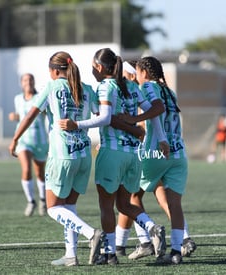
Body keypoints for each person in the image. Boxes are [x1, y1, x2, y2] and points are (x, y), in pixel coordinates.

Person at [59, 48, 169, 265]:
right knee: (124, 204)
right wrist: (156, 134)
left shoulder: (105, 87)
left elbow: (106, 118)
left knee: (106, 206)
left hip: (112, 153)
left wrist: (77, 124)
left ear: (99, 67)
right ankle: (152, 228)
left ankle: (110, 254)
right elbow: (157, 108)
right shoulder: (130, 85)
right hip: (132, 156)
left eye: (93, 65)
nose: (91, 69)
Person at [9, 51, 103, 266]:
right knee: (68, 207)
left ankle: (91, 234)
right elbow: (103, 116)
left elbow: (31, 114)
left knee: (52, 208)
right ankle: (71, 255)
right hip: (83, 156)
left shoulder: (52, 87)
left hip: (62, 155)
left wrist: (15, 138)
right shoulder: (86, 89)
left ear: (54, 70)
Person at [114, 56, 193, 265]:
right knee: (174, 203)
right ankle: (177, 251)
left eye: (138, 71)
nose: (137, 75)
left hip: (155, 152)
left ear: (145, 73)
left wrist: (133, 119)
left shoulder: (147, 86)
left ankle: (146, 240)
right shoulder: (170, 91)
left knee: (130, 196)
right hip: (178, 154)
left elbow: (157, 110)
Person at [8, 73, 48, 217]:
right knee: (26, 169)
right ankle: (31, 201)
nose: (28, 82)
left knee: (40, 173)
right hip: (24, 140)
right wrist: (16, 117)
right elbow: (23, 115)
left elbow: (39, 113)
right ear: (21, 83)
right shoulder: (18, 99)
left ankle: (43, 200)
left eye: (31, 79)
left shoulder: (40, 97)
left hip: (40, 140)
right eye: (25, 80)